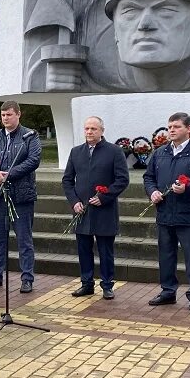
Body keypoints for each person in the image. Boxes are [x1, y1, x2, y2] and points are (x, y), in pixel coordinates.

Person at [143, 112, 190, 311]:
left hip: (189, 215)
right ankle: (168, 291)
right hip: (165, 214)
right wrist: (153, 192)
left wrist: (189, 188)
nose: (172, 131)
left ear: (189, 129)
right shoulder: (160, 153)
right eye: (169, 127)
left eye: (176, 127)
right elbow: (148, 177)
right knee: (166, 255)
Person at [62, 116, 130, 299]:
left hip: (104, 210)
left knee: (105, 250)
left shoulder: (114, 151)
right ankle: (87, 283)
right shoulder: (76, 152)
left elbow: (123, 179)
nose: (89, 132)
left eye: (93, 129)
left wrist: (105, 197)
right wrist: (74, 201)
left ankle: (107, 285)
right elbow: (67, 180)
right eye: (87, 129)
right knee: (83, 249)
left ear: (102, 131)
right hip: (82, 210)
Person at [0, 101, 42, 293]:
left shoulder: (30, 136)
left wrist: (10, 174)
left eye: (9, 115)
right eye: (3, 115)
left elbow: (33, 160)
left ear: (18, 115)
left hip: (21, 196)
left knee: (24, 240)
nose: (5, 118)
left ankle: (27, 278)